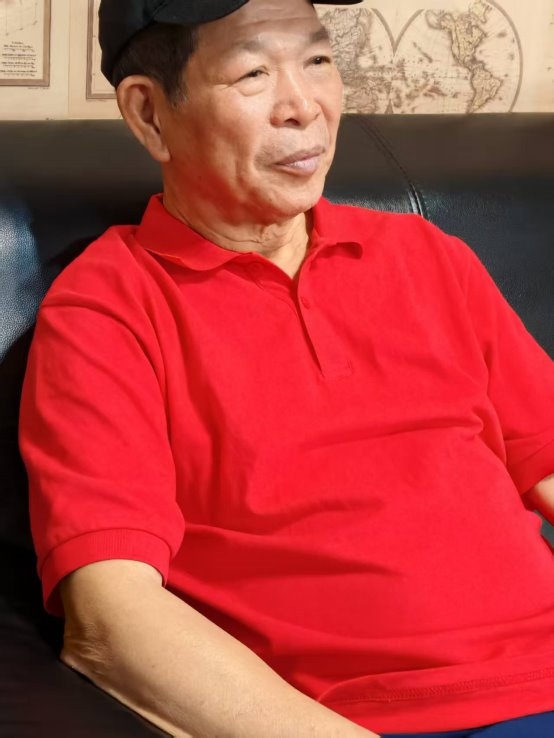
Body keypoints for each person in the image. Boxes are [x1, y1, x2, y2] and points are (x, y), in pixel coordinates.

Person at [18, 1, 554, 736]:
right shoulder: (107, 308)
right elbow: (110, 620)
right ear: (149, 114)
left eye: (318, 60)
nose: (305, 107)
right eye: (253, 73)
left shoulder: (427, 256)